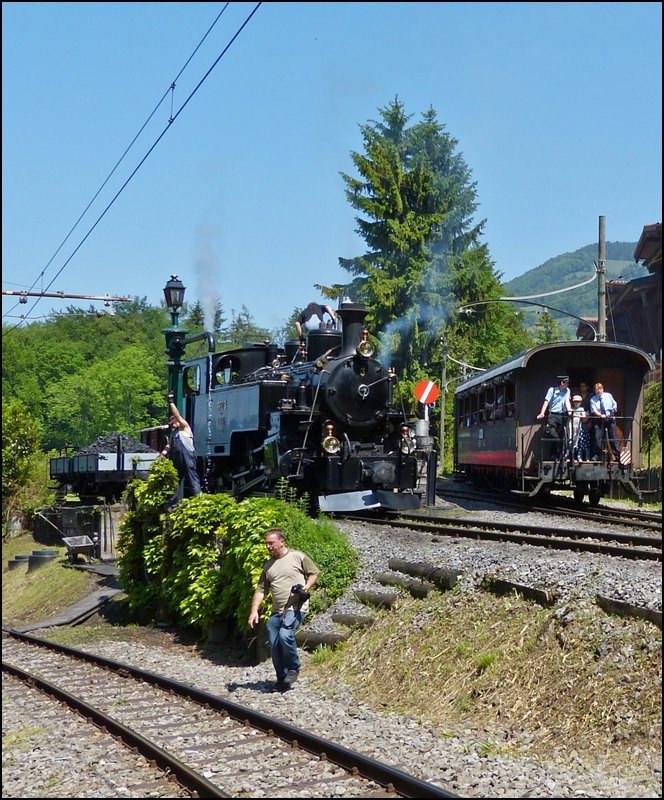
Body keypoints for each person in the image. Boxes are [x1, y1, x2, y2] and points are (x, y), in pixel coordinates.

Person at [248, 528, 319, 692]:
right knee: (274, 645)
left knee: (285, 635)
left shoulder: (297, 556)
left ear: (282, 541)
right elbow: (260, 590)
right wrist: (254, 611)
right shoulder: (268, 566)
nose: (268, 546)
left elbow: (314, 572)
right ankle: (282, 680)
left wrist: (305, 588)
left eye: (271, 543)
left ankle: (294, 669)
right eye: (266, 543)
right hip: (277, 611)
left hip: (295, 607)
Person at [160, 393, 201, 509]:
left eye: (173, 422)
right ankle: (172, 505)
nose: (172, 424)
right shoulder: (173, 434)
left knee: (192, 479)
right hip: (179, 459)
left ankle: (198, 501)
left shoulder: (185, 427)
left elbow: (177, 414)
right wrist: (163, 453)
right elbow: (169, 445)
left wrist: (171, 402)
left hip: (188, 457)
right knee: (175, 480)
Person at [536, 375, 572, 458]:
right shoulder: (551, 390)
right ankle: (555, 452)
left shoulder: (567, 391)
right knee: (553, 434)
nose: (568, 384)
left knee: (562, 435)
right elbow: (546, 402)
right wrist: (542, 413)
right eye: (567, 383)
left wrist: (569, 411)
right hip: (552, 414)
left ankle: (558, 454)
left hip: (562, 415)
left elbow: (567, 401)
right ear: (562, 383)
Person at [590, 382, 620, 461]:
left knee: (613, 436)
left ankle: (617, 455)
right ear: (595, 391)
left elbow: (614, 404)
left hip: (610, 418)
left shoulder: (608, 395)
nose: (598, 391)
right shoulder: (593, 399)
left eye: (600, 389)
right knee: (597, 437)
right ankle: (596, 455)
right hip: (599, 419)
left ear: (602, 389)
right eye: (597, 390)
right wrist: (600, 415)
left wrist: (614, 408)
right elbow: (594, 410)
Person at [570, 394, 591, 462]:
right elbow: (570, 415)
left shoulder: (582, 409)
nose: (576, 403)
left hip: (580, 428)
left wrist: (577, 415)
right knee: (574, 442)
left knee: (583, 443)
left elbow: (584, 416)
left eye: (578, 402)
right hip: (573, 428)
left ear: (580, 402)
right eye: (575, 402)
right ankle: (576, 457)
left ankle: (586, 457)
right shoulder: (571, 409)